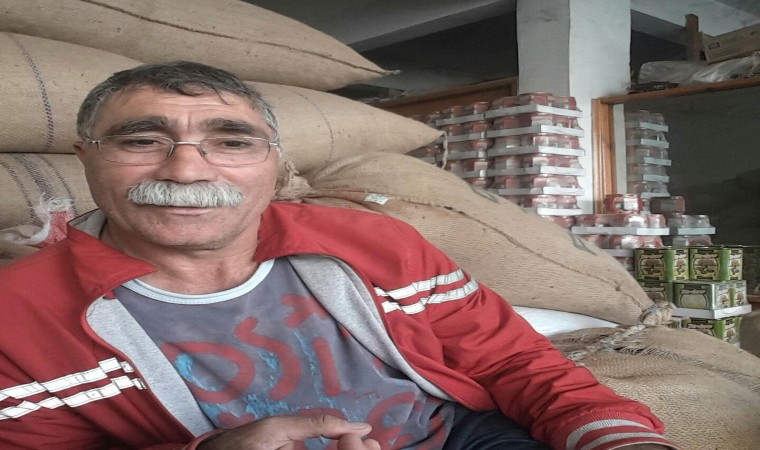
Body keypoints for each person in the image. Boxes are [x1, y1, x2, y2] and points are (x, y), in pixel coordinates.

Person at [0, 61, 677, 450]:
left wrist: (617, 436)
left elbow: (511, 361)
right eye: (141, 141)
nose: (185, 170)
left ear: (273, 163)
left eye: (231, 143)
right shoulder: (17, 316)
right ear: (86, 157)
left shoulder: (375, 244)